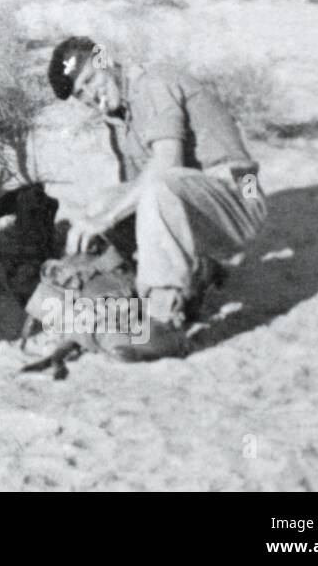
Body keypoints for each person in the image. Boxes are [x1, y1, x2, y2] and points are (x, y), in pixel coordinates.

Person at [46, 37, 267, 359]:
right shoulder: (120, 116)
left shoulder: (152, 82)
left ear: (106, 60)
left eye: (91, 79)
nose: (91, 94)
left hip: (243, 190)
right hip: (201, 200)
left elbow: (167, 163)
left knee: (158, 185)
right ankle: (183, 278)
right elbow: (136, 195)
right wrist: (102, 218)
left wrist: (104, 221)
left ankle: (164, 325)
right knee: (106, 201)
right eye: (81, 93)